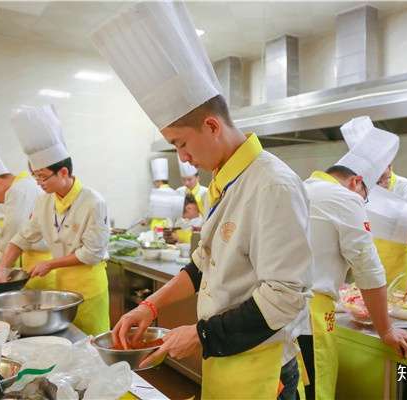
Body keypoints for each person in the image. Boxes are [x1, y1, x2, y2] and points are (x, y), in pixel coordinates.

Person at [92, 2, 311, 398]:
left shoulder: (272, 184)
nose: (183, 158)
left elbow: (284, 296)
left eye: (180, 143)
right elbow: (203, 262)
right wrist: (151, 307)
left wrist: (200, 334)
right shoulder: (225, 181)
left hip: (264, 371)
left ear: (211, 126)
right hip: (226, 359)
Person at [300, 125, 407, 400]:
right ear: (356, 182)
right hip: (311, 318)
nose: (363, 202)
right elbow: (368, 271)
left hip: (281, 315)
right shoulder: (345, 197)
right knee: (315, 391)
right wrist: (387, 329)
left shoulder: (304, 187)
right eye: (366, 197)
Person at [0, 105, 110, 335]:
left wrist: (50, 264)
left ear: (63, 172)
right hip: (61, 290)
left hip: (89, 288)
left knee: (91, 345)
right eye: (36, 177)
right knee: (67, 341)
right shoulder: (45, 202)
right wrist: (2, 268)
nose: (39, 183)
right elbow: (22, 237)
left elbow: (91, 253)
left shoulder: (93, 202)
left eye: (43, 177)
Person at [341, 116, 407, 289]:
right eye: (375, 178)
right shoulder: (355, 190)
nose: (381, 181)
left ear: (390, 164)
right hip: (365, 274)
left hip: (401, 275)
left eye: (383, 175)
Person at [0, 139, 53, 289]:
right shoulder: (22, 186)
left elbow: (11, 233)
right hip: (33, 262)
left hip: (40, 266)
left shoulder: (19, 190)